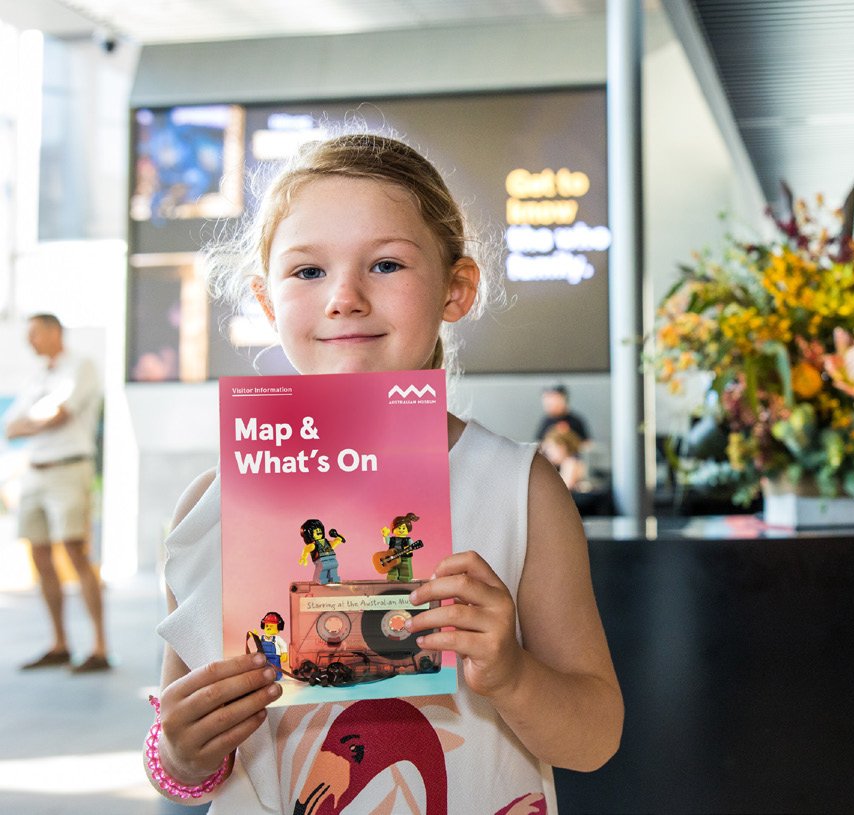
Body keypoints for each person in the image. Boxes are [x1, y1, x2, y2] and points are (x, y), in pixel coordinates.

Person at [147, 132, 623, 813]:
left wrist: (512, 673)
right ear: (265, 300)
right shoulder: (213, 505)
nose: (343, 296)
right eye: (307, 271)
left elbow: (595, 737)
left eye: (387, 264)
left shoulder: (520, 490)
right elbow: (183, 760)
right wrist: (179, 752)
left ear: (456, 289)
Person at [4, 313, 109, 674]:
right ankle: (60, 643)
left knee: (75, 554)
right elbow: (11, 427)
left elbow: (60, 416)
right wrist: (37, 422)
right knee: (39, 555)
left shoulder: (81, 366)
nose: (29, 341)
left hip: (69, 468)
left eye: (34, 333)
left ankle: (99, 647)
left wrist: (33, 424)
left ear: (53, 331)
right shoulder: (37, 376)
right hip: (34, 473)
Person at [539, 426, 588, 493]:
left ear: (561, 447)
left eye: (550, 447)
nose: (548, 452)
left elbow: (564, 489)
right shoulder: (570, 462)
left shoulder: (570, 463)